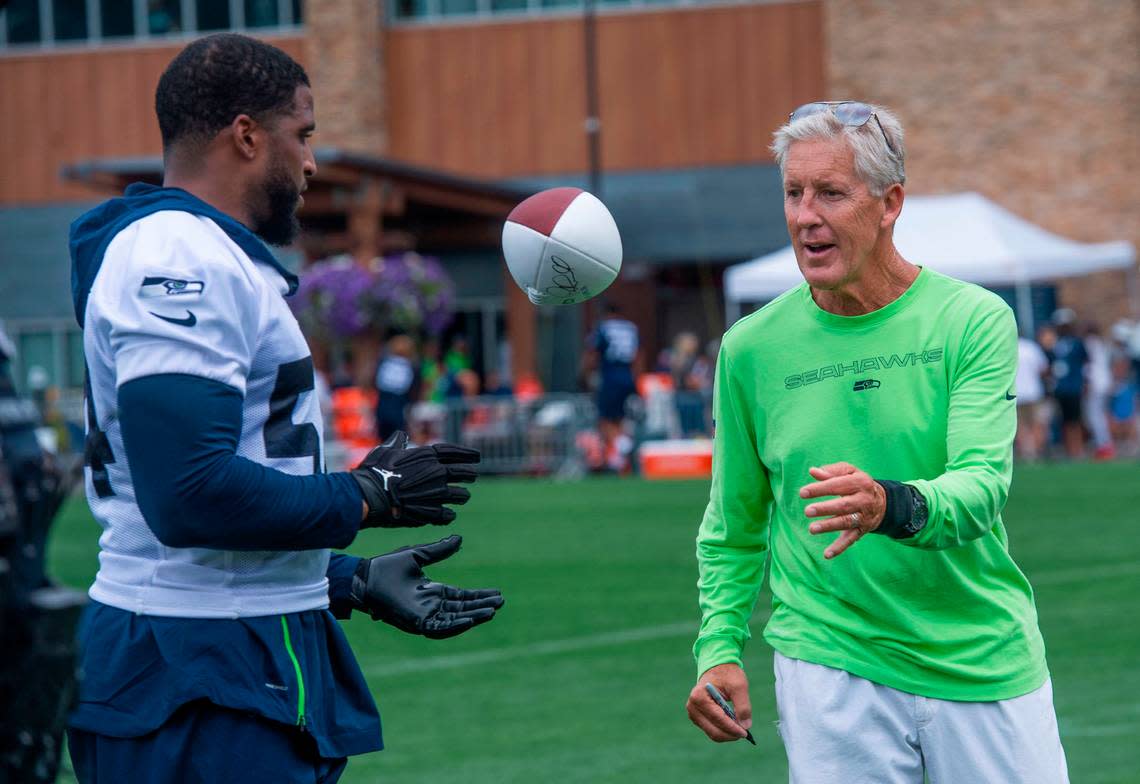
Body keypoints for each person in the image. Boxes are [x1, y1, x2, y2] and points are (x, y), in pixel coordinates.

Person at [66, 34, 503, 783]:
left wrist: (341, 581)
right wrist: (365, 496)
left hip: (221, 651)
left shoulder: (204, 252)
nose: (309, 163)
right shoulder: (179, 257)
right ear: (245, 135)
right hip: (191, 668)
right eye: (302, 135)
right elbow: (187, 495)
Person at [685, 101, 1068, 783]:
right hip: (829, 662)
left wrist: (888, 505)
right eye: (794, 193)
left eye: (830, 193)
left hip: (981, 657)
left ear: (890, 203)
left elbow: (982, 486)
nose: (806, 216)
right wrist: (718, 648)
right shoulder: (750, 349)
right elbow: (735, 524)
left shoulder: (970, 321)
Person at [587, 302, 640, 471]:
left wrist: (585, 374)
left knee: (604, 418)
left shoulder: (603, 328)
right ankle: (617, 461)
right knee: (619, 418)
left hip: (610, 376)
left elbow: (593, 352)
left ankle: (623, 444)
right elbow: (639, 355)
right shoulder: (631, 328)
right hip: (628, 376)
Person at [1050, 308, 1088, 458]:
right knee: (1064, 420)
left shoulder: (1077, 343)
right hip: (1061, 387)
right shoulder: (1056, 343)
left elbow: (1085, 363)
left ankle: (1078, 449)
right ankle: (1070, 450)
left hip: (1073, 386)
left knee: (1075, 420)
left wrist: (1084, 384)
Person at [374, 333, 419, 441]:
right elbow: (412, 391)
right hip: (398, 411)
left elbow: (377, 384)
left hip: (382, 410)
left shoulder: (383, 364)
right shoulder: (411, 367)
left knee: (383, 443)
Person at [1015, 331, 1050, 460]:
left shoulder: (1007, 349)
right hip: (1034, 392)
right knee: (1036, 423)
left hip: (1017, 393)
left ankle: (1027, 452)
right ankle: (1036, 450)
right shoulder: (1031, 347)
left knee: (1021, 425)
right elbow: (1044, 369)